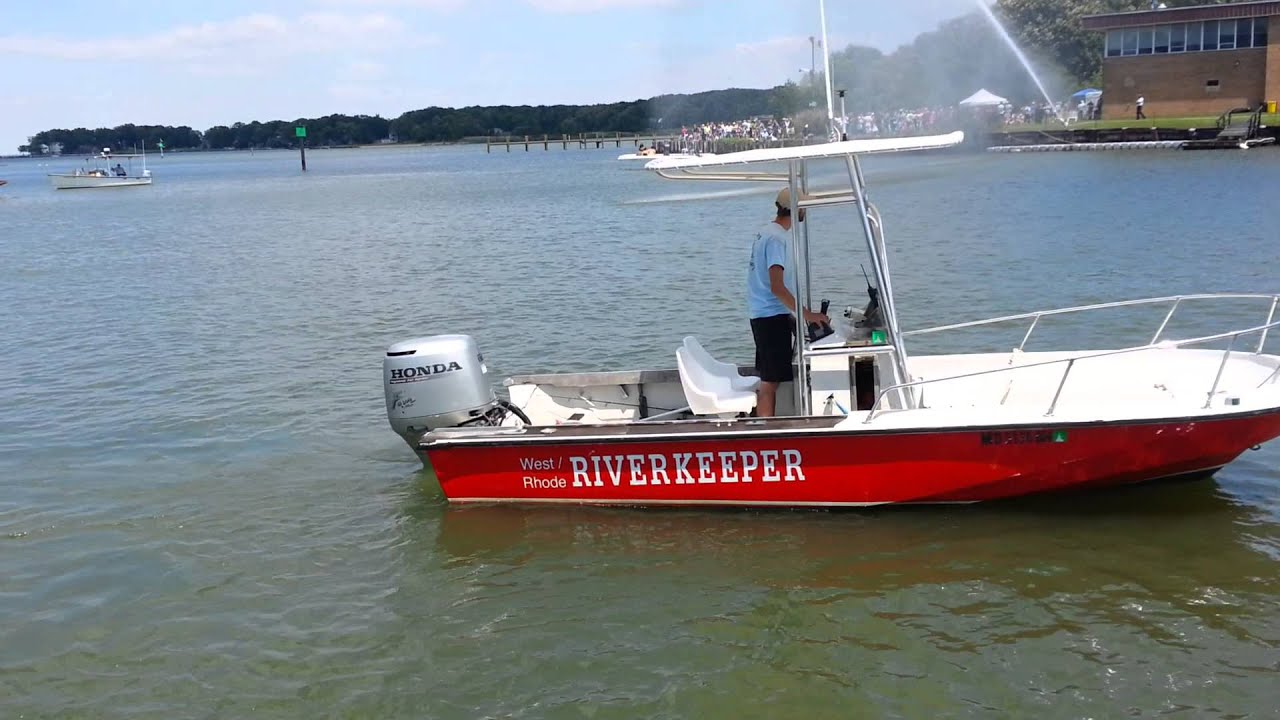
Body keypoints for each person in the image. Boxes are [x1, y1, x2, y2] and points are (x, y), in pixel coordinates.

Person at [746, 187, 829, 417]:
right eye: (804, 207)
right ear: (796, 209)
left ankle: (764, 430)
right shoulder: (776, 239)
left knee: (771, 379)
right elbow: (777, 286)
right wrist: (807, 315)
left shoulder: (767, 232)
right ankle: (765, 435)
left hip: (767, 315)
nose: (806, 211)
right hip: (770, 317)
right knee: (770, 383)